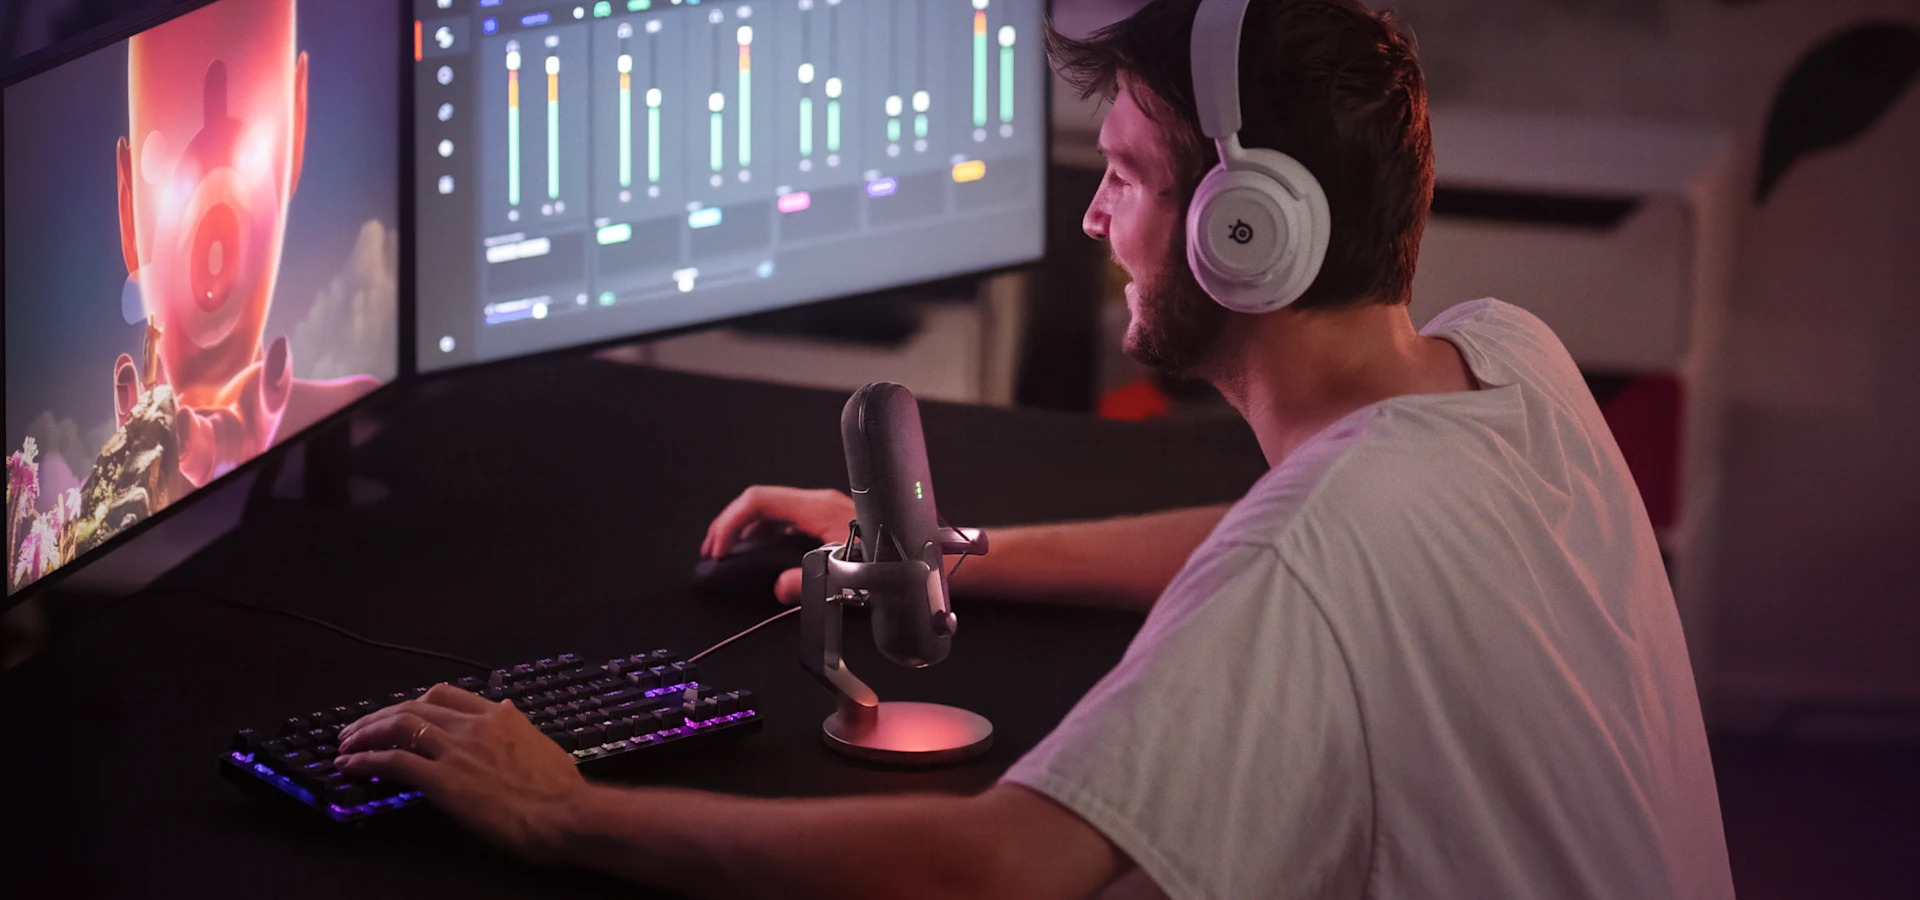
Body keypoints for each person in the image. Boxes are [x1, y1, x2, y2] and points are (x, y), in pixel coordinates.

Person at [334, 1, 1736, 896]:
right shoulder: (1512, 363)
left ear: (1241, 233)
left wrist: (560, 809)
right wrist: (936, 553)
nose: (1092, 216)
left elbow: (996, 868)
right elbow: (1286, 545)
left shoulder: (1320, 545)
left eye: (1124, 174)